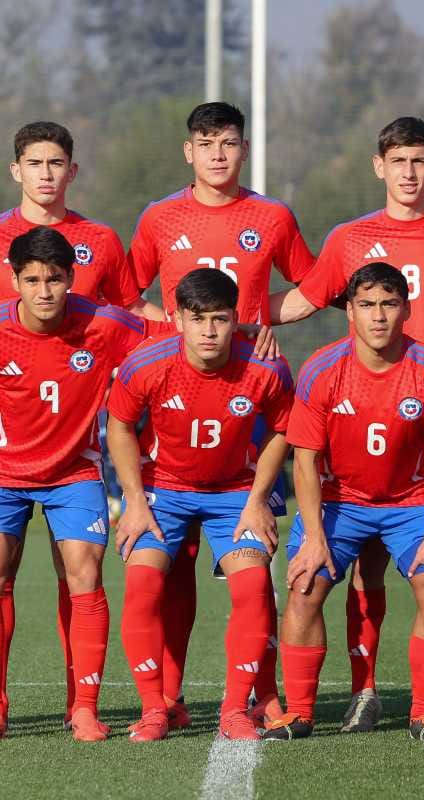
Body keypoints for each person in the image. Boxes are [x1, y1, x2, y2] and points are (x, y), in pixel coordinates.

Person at [270, 116, 424, 731]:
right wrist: (232, 320)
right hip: (362, 416)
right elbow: (304, 298)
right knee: (361, 566)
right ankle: (366, 686)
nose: (408, 172)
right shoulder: (351, 238)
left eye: (419, 161)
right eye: (398, 160)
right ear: (379, 166)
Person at [0, 121, 157, 729]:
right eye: (36, 162)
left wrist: (237, 332)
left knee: (84, 574)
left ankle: (83, 708)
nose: (44, 288)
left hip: (74, 469)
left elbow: (157, 334)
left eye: (54, 278)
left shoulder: (105, 309)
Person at [126, 101, 314, 727]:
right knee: (167, 571)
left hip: (247, 398)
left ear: (243, 149)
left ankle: (259, 695)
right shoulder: (159, 216)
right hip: (176, 394)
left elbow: (314, 288)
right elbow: (129, 293)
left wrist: (259, 323)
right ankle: (168, 698)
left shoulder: (272, 215)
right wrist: (173, 331)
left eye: (228, 143)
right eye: (205, 143)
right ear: (189, 151)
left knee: (251, 569)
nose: (217, 154)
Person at [261, 263, 424, 742]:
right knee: (305, 585)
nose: (379, 317)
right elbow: (305, 462)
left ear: (407, 309)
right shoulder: (321, 369)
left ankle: (423, 714)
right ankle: (301, 712)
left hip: (412, 501)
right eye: (368, 305)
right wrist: (313, 538)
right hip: (340, 501)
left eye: (390, 304)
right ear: (349, 311)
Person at [107, 268, 293, 742]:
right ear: (176, 319)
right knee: (142, 583)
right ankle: (155, 709)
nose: (209, 331)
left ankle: (234, 709)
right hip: (162, 492)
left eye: (220, 319)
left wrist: (256, 501)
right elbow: (120, 426)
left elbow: (281, 429)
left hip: (234, 493)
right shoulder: (145, 364)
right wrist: (133, 502)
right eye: (197, 319)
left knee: (252, 587)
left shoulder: (266, 368)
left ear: (237, 319)